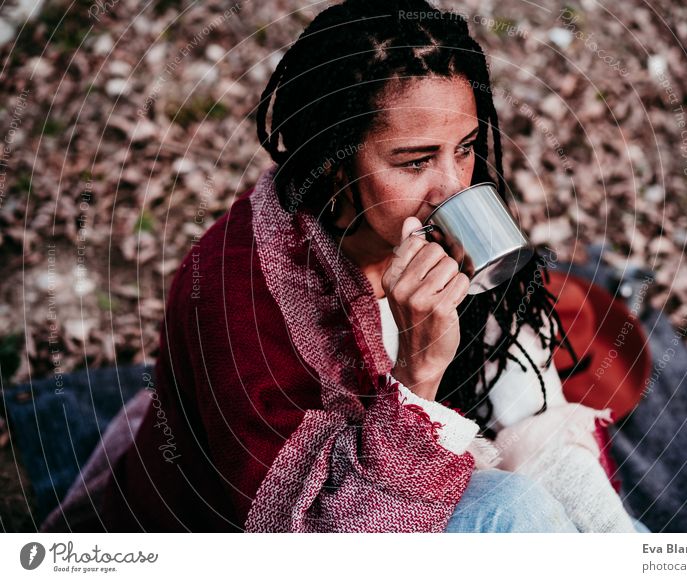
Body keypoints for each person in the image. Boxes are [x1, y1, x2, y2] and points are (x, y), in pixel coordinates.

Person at [44, 0, 645, 533]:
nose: (451, 188)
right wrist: (418, 375)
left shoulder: (446, 221)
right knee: (514, 509)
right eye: (413, 162)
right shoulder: (237, 303)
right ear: (332, 163)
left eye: (462, 149)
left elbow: (525, 409)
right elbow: (319, 538)